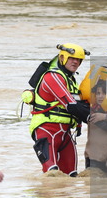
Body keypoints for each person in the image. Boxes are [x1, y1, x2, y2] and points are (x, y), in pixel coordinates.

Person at [28, 43, 91, 176]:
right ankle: (41, 196)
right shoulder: (52, 77)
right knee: (52, 175)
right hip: (47, 130)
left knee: (72, 176)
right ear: (62, 57)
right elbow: (71, 105)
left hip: (65, 133)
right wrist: (96, 119)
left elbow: (81, 104)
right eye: (72, 58)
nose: (76, 62)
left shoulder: (70, 79)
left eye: (79, 59)